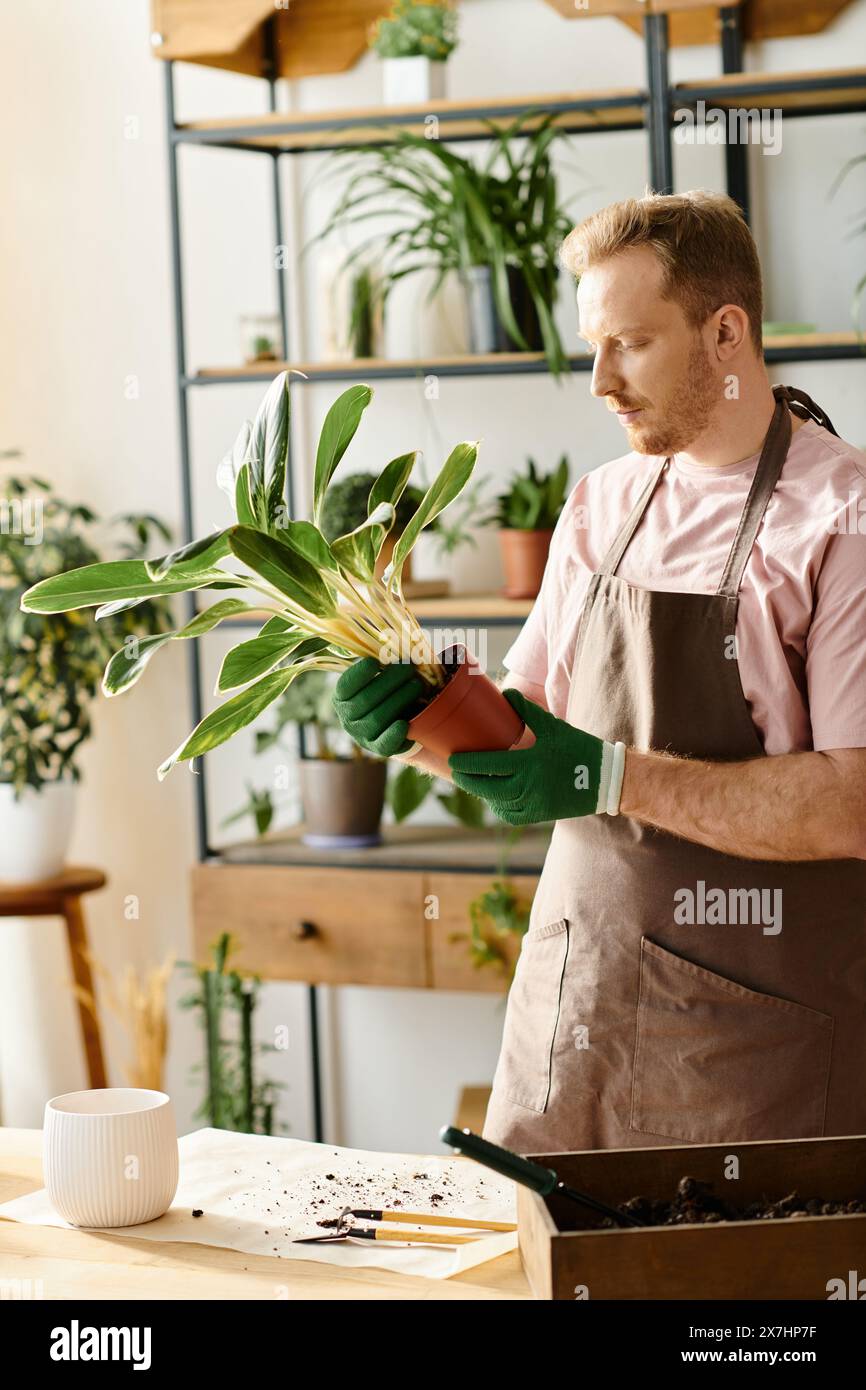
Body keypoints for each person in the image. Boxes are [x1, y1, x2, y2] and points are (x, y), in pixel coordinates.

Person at [332, 190, 866, 1154]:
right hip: (576, 1011)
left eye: (630, 344)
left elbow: (850, 802)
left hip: (753, 1049)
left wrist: (608, 775)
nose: (599, 381)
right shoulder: (602, 502)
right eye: (592, 345)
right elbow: (529, 733)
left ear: (726, 331)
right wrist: (417, 721)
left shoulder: (840, 517)